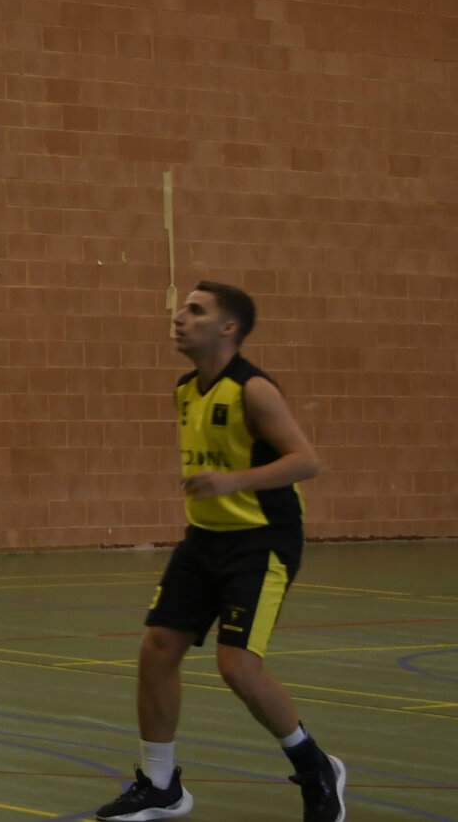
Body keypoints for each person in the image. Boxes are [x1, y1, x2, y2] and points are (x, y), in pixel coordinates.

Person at [95, 281, 341, 822]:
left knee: (238, 666)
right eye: (183, 308)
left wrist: (234, 480)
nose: (180, 316)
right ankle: (160, 785)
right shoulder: (186, 389)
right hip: (204, 538)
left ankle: (315, 767)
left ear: (228, 328)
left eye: (196, 310)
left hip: (261, 540)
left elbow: (306, 461)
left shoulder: (254, 389)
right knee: (158, 649)